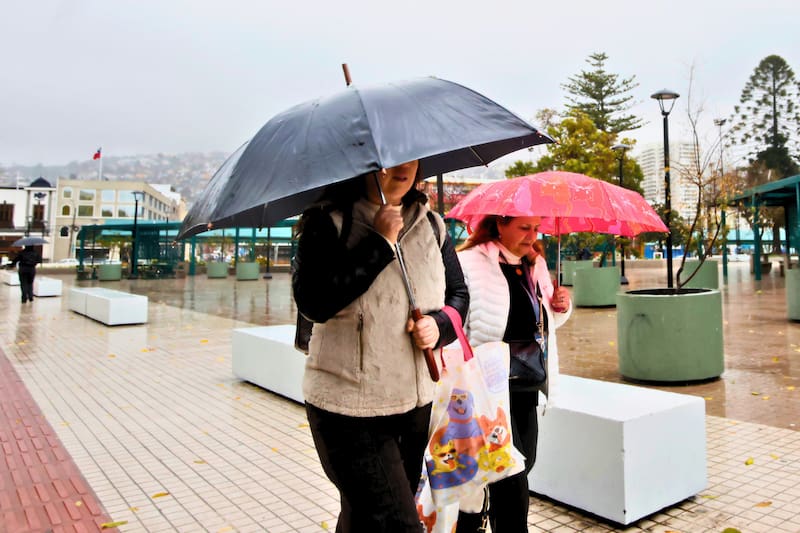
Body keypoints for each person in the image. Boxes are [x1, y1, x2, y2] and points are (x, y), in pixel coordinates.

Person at [292, 159, 469, 533]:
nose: (403, 165)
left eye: (411, 154)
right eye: (389, 157)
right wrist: (379, 242)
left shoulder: (433, 226)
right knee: (399, 523)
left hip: (414, 405)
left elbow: (459, 295)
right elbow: (314, 302)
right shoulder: (329, 221)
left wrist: (437, 327)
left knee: (364, 519)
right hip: (347, 409)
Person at [455, 216, 571, 533]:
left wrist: (560, 307)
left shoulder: (534, 265)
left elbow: (543, 324)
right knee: (511, 476)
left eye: (536, 228)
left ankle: (474, 517)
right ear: (498, 225)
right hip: (487, 389)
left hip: (526, 382)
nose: (532, 235)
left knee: (524, 463)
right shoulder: (468, 262)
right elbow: (454, 324)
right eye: (524, 227)